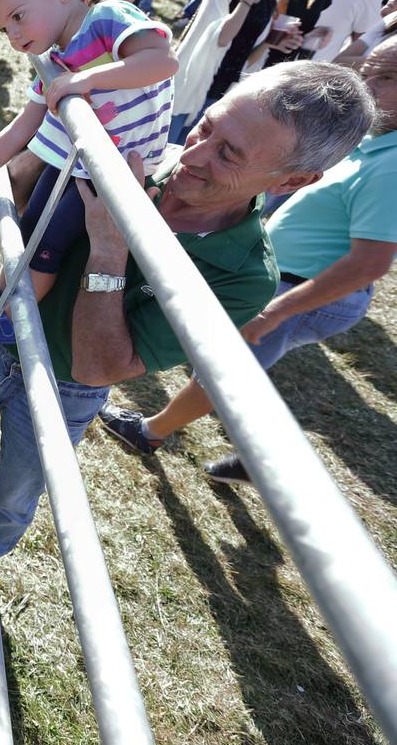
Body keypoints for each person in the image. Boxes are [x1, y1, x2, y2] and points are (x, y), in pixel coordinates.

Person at [0, 61, 375, 605]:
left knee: (16, 492)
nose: (191, 155)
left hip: (66, 391)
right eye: (207, 126)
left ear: (293, 181)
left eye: (228, 154)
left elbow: (98, 368)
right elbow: (32, 188)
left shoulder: (243, 276)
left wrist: (109, 249)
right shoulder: (134, 153)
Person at [99, 39, 397, 485]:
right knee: (225, 363)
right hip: (291, 277)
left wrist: (277, 310)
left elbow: (370, 263)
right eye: (370, 69)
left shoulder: (391, 168)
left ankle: (158, 433)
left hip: (302, 289)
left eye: (388, 78)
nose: (369, 84)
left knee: (226, 370)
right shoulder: (368, 142)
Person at [0, 0, 177, 342]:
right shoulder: (55, 56)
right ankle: (2, 297)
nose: (13, 36)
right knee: (29, 227)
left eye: (18, 17)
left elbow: (162, 61)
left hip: (106, 174)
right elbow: (24, 126)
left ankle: (10, 320)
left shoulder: (109, 17)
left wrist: (85, 80)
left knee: (43, 250)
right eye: (3, 28)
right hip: (74, 163)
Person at [168, 0, 306, 143]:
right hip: (191, 89)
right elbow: (221, 38)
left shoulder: (270, 0)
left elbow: (246, 57)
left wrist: (270, 43)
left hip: (223, 97)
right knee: (165, 149)